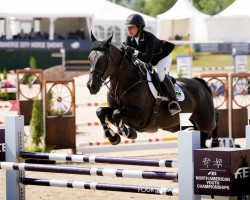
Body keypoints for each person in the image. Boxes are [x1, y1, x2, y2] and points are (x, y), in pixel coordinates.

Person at [122, 14, 181, 115]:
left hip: (163, 56)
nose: (129, 30)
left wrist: (134, 51)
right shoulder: (130, 39)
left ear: (139, 27)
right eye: (128, 28)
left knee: (161, 75)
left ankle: (174, 102)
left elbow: (146, 58)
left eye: (132, 27)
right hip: (150, 58)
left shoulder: (149, 38)